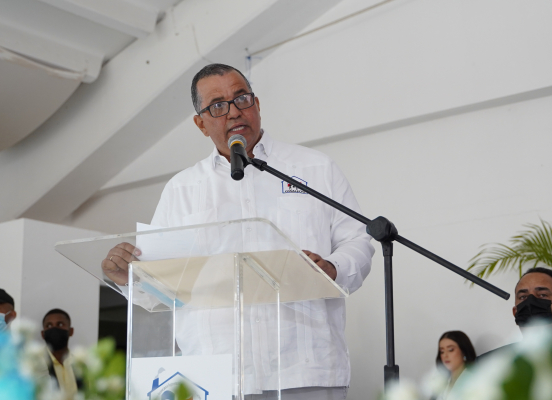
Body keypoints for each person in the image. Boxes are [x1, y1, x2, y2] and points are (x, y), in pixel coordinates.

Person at [101, 63, 375, 399]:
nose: (233, 112)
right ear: (201, 124)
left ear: (256, 104)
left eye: (241, 98)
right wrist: (127, 278)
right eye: (217, 105)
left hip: (305, 368)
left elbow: (357, 240)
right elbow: (164, 285)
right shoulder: (182, 189)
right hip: (216, 375)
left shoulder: (315, 168)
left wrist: (332, 267)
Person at [478, 267, 552, 360]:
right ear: (515, 312)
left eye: (542, 295)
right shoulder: (489, 364)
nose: (531, 303)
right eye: (523, 297)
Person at [41, 308, 81, 400]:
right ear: (43, 334)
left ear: (71, 331)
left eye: (60, 324)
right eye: (49, 325)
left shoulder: (81, 365)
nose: (54, 329)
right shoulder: (35, 365)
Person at [434, 331, 476, 399]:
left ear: (463, 351)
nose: (445, 355)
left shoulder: (474, 381)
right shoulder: (442, 383)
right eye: (442, 351)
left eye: (450, 350)